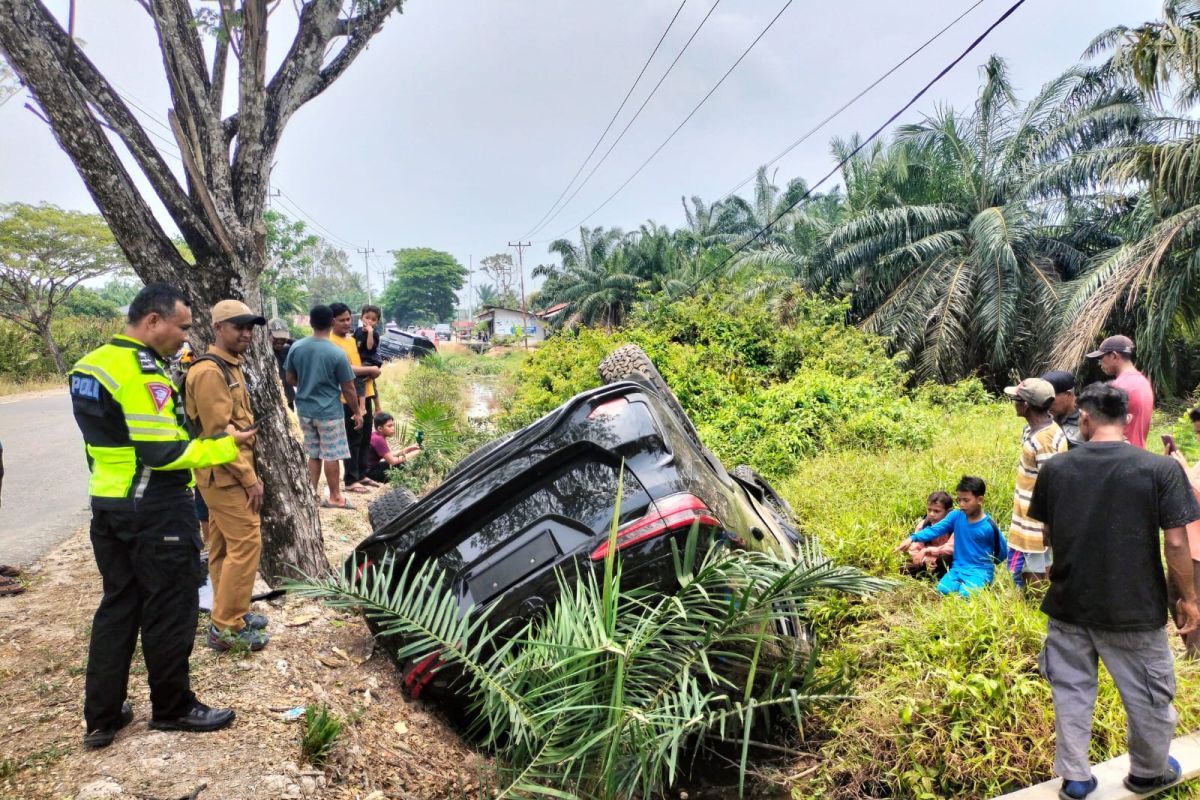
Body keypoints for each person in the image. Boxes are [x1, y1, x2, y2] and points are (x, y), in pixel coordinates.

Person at [68, 283, 255, 749]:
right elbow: (162, 450)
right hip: (154, 509)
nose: (186, 338)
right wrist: (230, 444)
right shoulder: (141, 373)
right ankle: (173, 707)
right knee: (170, 608)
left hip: (108, 505)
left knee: (118, 606)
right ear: (153, 320)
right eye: (182, 326)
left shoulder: (88, 366)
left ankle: (102, 716)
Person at [1028, 383, 1199, 799]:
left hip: (1069, 604)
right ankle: (1149, 772)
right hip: (1134, 607)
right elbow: (1176, 543)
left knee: (1071, 692)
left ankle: (1076, 778)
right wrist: (1188, 599)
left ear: (1084, 418)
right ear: (1126, 419)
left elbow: (1049, 533)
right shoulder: (1159, 470)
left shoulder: (1056, 469)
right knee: (1148, 695)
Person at [184, 299, 270, 653]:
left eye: (250, 327)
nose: (246, 333)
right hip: (225, 474)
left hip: (226, 472)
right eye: (239, 327)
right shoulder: (208, 372)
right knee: (247, 543)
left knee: (221, 546)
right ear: (219, 328)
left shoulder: (229, 365)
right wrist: (249, 478)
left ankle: (229, 611)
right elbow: (217, 435)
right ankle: (226, 627)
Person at [284, 304, 360, 510]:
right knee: (332, 454)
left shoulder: (297, 347)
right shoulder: (337, 352)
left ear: (310, 322)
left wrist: (307, 383)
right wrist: (357, 412)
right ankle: (335, 496)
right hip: (329, 412)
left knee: (314, 453)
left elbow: (290, 378)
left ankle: (311, 494)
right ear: (331, 322)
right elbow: (348, 387)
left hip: (305, 410)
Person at [1003, 378, 1068, 587]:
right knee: (1024, 564)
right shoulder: (1036, 430)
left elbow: (1052, 483)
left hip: (1037, 518)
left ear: (1026, 405)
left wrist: (1047, 526)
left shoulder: (1044, 440)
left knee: (1035, 568)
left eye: (1016, 399)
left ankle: (1033, 608)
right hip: (1026, 513)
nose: (1014, 402)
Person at [895, 476, 1006, 597]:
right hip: (957, 569)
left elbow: (1002, 553)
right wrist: (911, 538)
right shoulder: (956, 516)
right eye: (959, 500)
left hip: (979, 571)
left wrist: (985, 567)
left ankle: (982, 583)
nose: (962, 504)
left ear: (979, 500)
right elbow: (935, 530)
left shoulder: (989, 526)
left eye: (966, 500)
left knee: (966, 595)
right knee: (943, 590)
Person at [329, 303, 380, 495]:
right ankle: (350, 479)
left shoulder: (352, 340)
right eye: (341, 320)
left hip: (363, 393)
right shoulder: (331, 342)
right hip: (346, 397)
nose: (346, 323)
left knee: (366, 435)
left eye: (348, 319)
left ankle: (362, 474)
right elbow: (346, 370)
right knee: (353, 438)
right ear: (332, 321)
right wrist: (371, 370)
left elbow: (367, 356)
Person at [1166, 406, 1200, 657]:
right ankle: (1191, 650)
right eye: (1198, 433)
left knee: (1194, 603)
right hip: (1187, 545)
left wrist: (1185, 473)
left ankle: (1195, 658)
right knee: (1174, 598)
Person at [1087, 335, 1153, 448]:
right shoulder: (1144, 382)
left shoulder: (1118, 387)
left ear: (1114, 356)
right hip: (1138, 453)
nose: (1100, 364)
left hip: (1119, 456)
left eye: (1101, 358)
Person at [900, 490, 954, 578]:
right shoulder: (923, 525)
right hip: (926, 562)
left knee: (946, 558)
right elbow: (915, 549)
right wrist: (926, 560)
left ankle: (939, 576)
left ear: (948, 512)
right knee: (904, 567)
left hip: (944, 561)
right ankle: (930, 576)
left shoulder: (954, 527)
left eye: (936, 511)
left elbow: (951, 549)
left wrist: (929, 554)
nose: (931, 514)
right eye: (929, 510)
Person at [365, 412, 423, 484]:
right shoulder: (379, 440)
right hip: (370, 472)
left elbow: (389, 454)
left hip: (368, 469)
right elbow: (392, 461)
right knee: (402, 464)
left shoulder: (376, 435)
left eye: (393, 425)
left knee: (400, 462)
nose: (393, 428)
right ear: (380, 428)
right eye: (389, 426)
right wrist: (413, 454)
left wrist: (409, 449)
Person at [1041, 370, 1082, 449]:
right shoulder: (1039, 421)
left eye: (1050, 399)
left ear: (1068, 395)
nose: (1046, 404)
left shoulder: (1086, 421)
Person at [268, 318, 295, 410]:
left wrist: (287, 341)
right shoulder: (264, 353)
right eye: (276, 337)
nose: (279, 341)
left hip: (288, 399)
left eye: (283, 338)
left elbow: (299, 345)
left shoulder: (287, 350)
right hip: (272, 402)